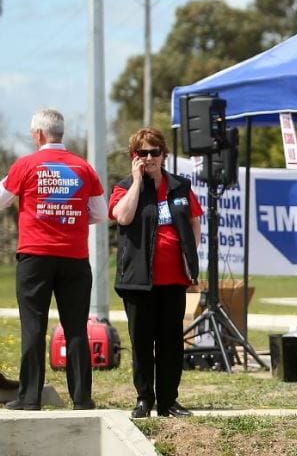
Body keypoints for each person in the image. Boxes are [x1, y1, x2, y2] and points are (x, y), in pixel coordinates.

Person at [0, 108, 106, 411]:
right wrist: (69, 215)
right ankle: (82, 398)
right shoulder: (83, 168)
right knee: (75, 328)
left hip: (35, 257)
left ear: (38, 135)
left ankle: (29, 397)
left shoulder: (26, 165)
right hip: (74, 258)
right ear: (61, 133)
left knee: (33, 326)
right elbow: (100, 213)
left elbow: (1, 198)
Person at [109, 128, 202, 418]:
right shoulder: (124, 186)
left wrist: (189, 254)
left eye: (154, 152)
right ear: (133, 156)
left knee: (170, 343)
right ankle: (144, 399)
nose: (148, 158)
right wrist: (138, 181)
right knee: (141, 342)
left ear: (163, 154)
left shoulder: (180, 187)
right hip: (138, 281)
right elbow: (122, 216)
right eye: (142, 153)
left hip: (173, 279)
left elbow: (194, 221)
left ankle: (168, 401)